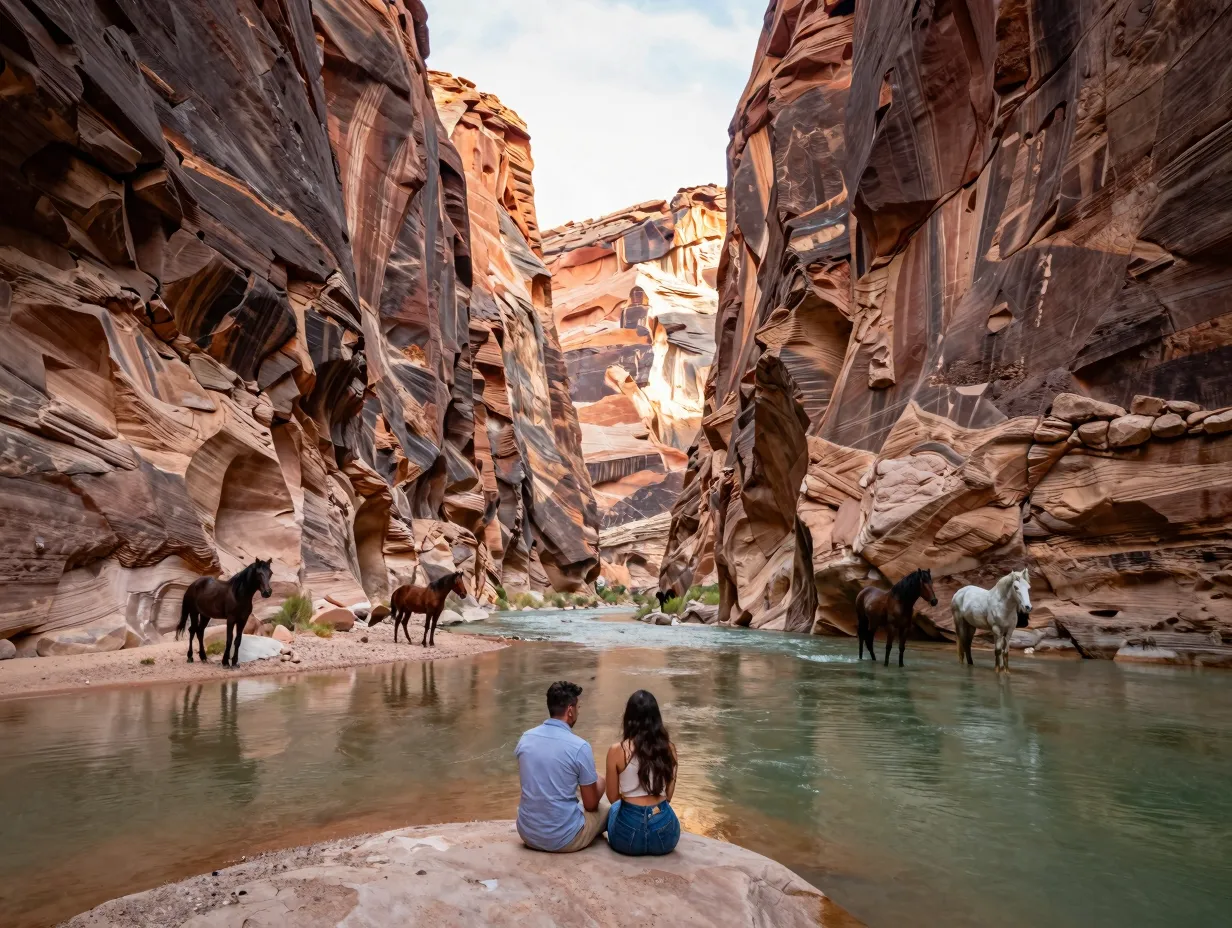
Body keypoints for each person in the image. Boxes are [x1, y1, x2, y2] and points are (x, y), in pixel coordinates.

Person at [515, 680, 610, 852]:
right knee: (608, 808)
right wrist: (601, 781)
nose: (578, 712)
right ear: (570, 711)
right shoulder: (580, 747)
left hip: (527, 833)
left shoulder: (525, 738)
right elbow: (590, 805)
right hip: (562, 839)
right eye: (578, 708)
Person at [604, 689, 681, 856]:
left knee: (612, 811)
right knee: (666, 812)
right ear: (656, 718)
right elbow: (668, 796)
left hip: (628, 836)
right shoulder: (670, 749)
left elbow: (612, 797)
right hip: (664, 833)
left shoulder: (617, 750)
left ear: (628, 718)